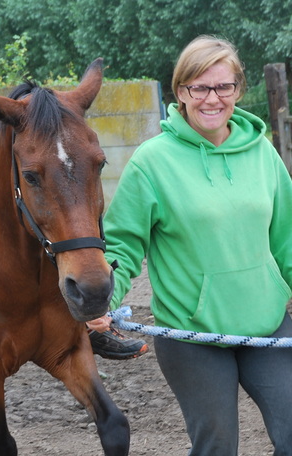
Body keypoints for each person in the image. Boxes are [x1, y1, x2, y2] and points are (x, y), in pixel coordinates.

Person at [86, 35, 292, 455]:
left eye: (223, 86)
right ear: (180, 92)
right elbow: (123, 247)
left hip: (268, 324)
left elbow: (287, 237)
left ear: (238, 88)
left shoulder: (263, 153)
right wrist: (103, 301)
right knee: (217, 444)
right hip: (191, 335)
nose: (212, 98)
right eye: (200, 87)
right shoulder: (152, 161)